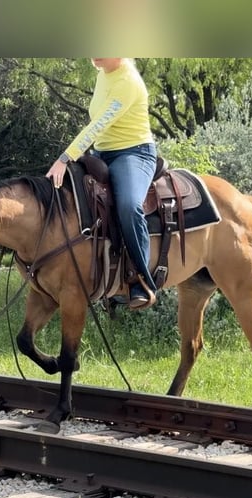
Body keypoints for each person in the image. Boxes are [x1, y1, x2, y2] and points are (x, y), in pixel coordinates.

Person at [46, 58, 157, 310]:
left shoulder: (127, 81)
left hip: (134, 153)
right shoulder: (103, 74)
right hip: (102, 154)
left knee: (128, 206)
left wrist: (65, 157)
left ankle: (142, 281)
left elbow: (98, 125)